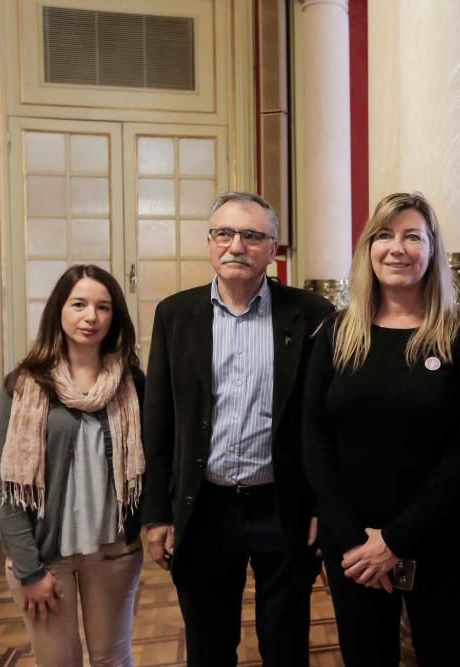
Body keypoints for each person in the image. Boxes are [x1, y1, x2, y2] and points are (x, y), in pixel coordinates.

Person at [303, 192, 460, 666]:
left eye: (413, 236)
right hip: (354, 549)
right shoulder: (336, 333)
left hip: (445, 541)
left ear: (432, 250)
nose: (397, 248)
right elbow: (313, 438)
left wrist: (395, 541)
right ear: (368, 249)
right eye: (384, 236)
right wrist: (354, 540)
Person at [141, 192, 333, 665]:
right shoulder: (175, 315)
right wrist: (156, 514)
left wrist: (322, 506)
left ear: (273, 249)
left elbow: (326, 424)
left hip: (282, 506)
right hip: (203, 507)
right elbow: (158, 422)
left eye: (251, 236)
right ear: (209, 243)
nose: (236, 246)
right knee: (208, 647)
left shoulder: (312, 315)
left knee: (286, 645)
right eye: (223, 234)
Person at [0, 264, 145, 666]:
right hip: (45, 558)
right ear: (59, 310)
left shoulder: (133, 384)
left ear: (115, 317)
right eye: (79, 304)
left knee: (113, 658)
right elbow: (5, 489)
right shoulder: (22, 385)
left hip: (114, 552)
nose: (91, 317)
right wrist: (29, 571)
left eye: (103, 307)